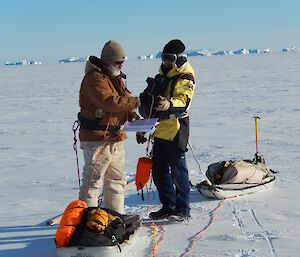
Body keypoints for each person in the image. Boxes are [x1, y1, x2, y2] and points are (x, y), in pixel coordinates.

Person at [78, 40, 140, 214]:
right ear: (107, 61)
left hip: (115, 138)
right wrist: (137, 102)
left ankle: (114, 218)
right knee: (93, 183)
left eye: (122, 63)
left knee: (116, 181)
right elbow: (110, 103)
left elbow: (122, 103)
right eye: (118, 63)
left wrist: (133, 117)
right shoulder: (93, 79)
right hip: (97, 140)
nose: (121, 66)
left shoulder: (114, 78)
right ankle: (86, 221)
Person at [138, 39, 196, 220]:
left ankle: (183, 210)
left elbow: (184, 101)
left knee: (178, 172)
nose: (166, 62)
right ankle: (168, 206)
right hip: (160, 129)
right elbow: (152, 105)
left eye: (169, 58)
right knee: (159, 171)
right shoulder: (162, 76)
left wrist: (169, 104)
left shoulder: (185, 77)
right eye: (163, 58)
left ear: (179, 58)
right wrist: (143, 127)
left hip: (176, 129)